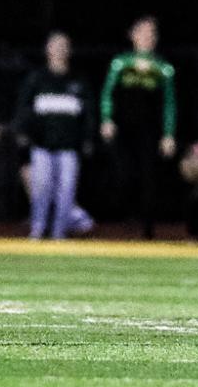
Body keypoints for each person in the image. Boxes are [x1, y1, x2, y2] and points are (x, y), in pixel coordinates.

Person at [12, 31, 96, 240]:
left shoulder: (79, 81)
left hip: (69, 146)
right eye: (55, 45)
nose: (59, 50)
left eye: (63, 46)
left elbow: (89, 114)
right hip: (42, 144)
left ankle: (59, 233)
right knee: (40, 189)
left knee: (66, 191)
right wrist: (23, 132)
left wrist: (87, 138)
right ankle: (38, 229)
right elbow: (24, 108)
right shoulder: (36, 79)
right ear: (47, 49)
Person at [99, 16, 177, 237]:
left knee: (149, 178)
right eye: (142, 32)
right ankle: (122, 221)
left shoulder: (163, 68)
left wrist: (168, 134)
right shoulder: (120, 63)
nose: (147, 37)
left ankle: (147, 229)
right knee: (123, 174)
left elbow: (169, 103)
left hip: (150, 131)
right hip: (123, 130)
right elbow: (108, 94)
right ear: (132, 35)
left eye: (151, 33)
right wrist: (106, 119)